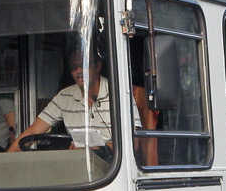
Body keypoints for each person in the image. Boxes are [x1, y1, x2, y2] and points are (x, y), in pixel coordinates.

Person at [9, 46, 137, 154]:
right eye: (74, 67)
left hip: (112, 170)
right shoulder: (65, 96)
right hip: (78, 167)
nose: (79, 71)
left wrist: (97, 149)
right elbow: (33, 131)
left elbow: (134, 143)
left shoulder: (119, 94)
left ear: (97, 66)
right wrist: (5, 159)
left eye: (84, 65)